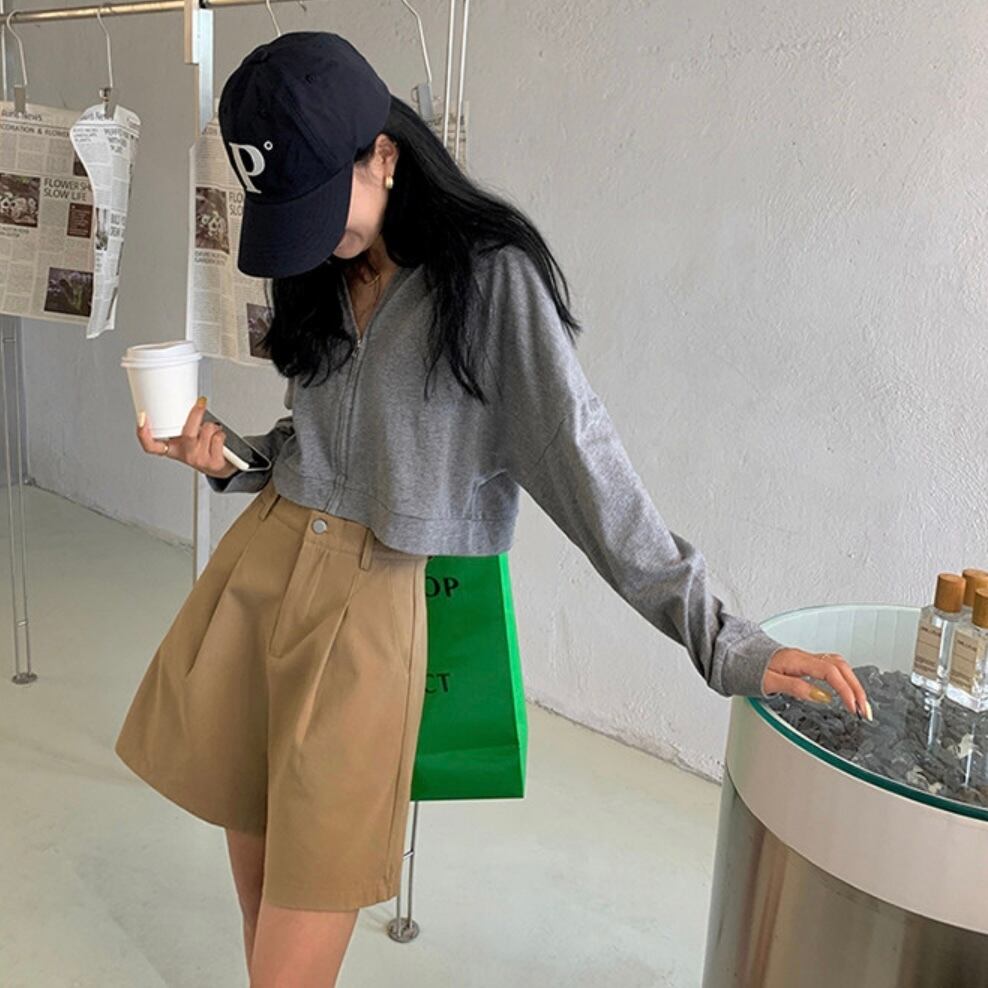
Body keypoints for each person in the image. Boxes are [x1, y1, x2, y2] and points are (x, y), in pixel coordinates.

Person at [115, 30, 871, 988]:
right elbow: (314, 446)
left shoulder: (489, 281)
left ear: (383, 155)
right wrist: (226, 455)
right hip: (260, 573)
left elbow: (588, 471)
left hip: (366, 617)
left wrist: (727, 643)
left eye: (320, 204)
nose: (310, 238)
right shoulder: (322, 266)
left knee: (290, 959)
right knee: (260, 910)